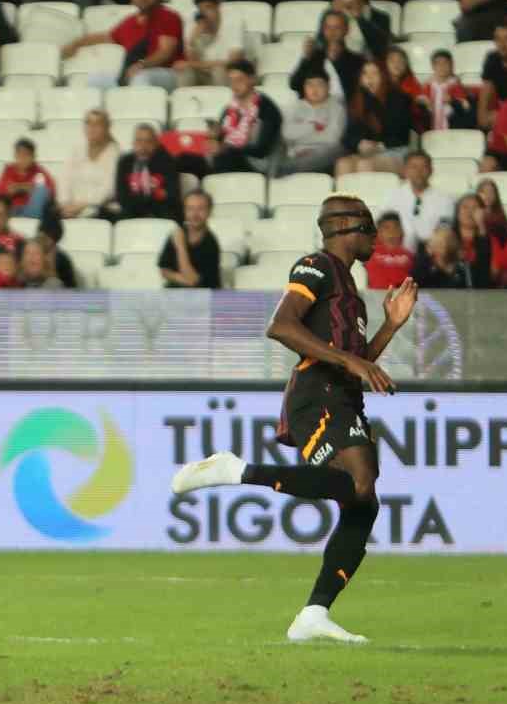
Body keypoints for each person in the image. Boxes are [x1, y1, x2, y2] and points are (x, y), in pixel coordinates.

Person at [171, 196, 419, 643]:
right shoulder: (316, 266)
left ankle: (313, 615)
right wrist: (351, 361)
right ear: (344, 227)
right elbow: (282, 325)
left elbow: (356, 363)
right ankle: (236, 470)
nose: (376, 238)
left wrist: (389, 327)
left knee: (362, 501)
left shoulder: (350, 290)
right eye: (368, 227)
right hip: (316, 393)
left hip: (341, 396)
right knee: (361, 481)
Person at [62, 0, 183, 92]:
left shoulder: (167, 16)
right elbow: (105, 37)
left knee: (140, 78)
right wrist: (76, 44)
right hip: (134, 72)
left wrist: (142, 65)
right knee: (95, 81)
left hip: (167, 72)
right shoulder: (129, 22)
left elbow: (165, 52)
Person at [213, 61, 283, 174]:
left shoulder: (267, 109)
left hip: (255, 163)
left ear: (252, 80)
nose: (234, 85)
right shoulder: (228, 109)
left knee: (226, 156)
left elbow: (262, 150)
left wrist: (228, 147)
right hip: (227, 157)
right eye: (231, 80)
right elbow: (218, 140)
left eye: (239, 80)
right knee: (188, 159)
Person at [381, 151, 457, 252]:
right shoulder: (392, 196)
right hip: (397, 249)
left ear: (431, 170)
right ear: (405, 170)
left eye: (423, 167)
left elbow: (444, 227)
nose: (419, 172)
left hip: (431, 250)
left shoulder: (445, 199)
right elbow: (382, 225)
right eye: (414, 167)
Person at [57, 110, 121, 219]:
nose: (92, 128)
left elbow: (108, 190)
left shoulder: (115, 154)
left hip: (100, 207)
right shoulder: (76, 149)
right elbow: (64, 179)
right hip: (70, 208)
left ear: (107, 128)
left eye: (97, 124)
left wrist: (82, 205)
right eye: (88, 123)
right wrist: (65, 204)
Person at [282, 73, 347, 174]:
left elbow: (332, 138)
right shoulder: (293, 107)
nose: (314, 89)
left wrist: (300, 136)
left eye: (319, 85)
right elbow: (286, 134)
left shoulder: (337, 108)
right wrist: (312, 127)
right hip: (297, 155)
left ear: (328, 86)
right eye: (310, 84)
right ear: (304, 87)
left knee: (337, 150)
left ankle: (286, 170)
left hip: (326, 157)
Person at [114, 124, 181, 221]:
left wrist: (141, 200)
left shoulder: (168, 162)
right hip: (132, 212)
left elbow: (172, 196)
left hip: (161, 213)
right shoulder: (125, 162)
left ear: (156, 143)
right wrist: (154, 197)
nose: (143, 146)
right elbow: (122, 196)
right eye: (139, 141)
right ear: (133, 143)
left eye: (148, 141)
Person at [158, 190, 222, 289]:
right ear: (184, 211)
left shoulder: (211, 244)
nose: (195, 214)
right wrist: (182, 279)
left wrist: (180, 246)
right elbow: (164, 270)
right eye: (190, 209)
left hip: (202, 293)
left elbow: (193, 280)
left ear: (209, 212)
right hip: (174, 291)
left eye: (200, 209)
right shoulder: (177, 233)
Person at [365, 212, 416, 290]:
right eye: (386, 228)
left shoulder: (410, 255)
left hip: (402, 294)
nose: (392, 232)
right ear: (378, 232)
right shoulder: (369, 252)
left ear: (402, 231)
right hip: (377, 294)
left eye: (396, 227)